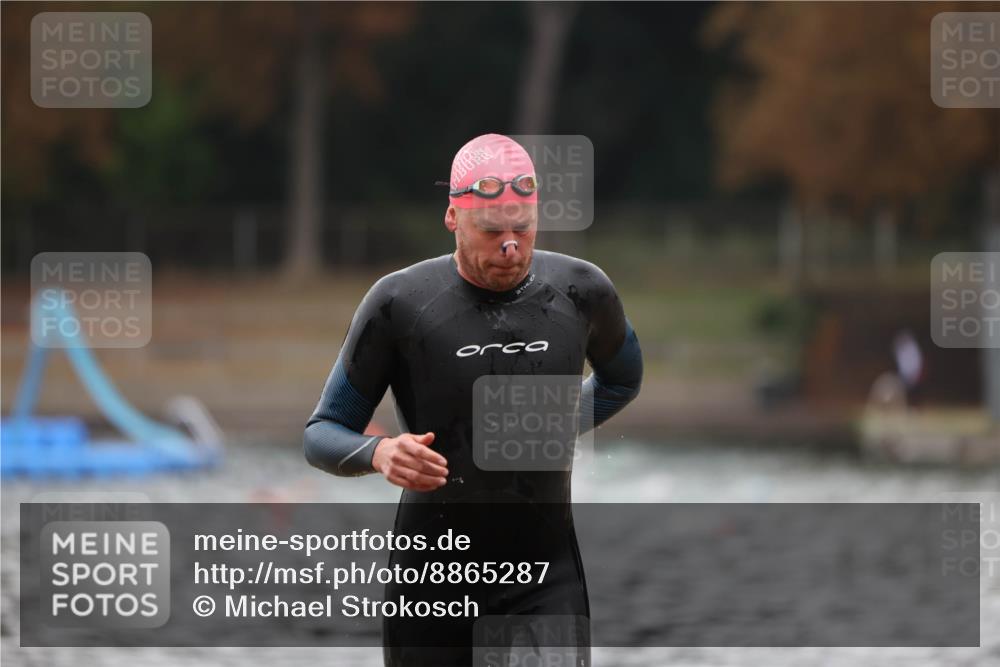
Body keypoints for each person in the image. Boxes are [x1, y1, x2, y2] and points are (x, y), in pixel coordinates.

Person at [303, 133, 643, 666]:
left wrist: (549, 423)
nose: (510, 246)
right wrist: (381, 453)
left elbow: (621, 380)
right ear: (452, 218)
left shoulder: (582, 290)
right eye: (490, 230)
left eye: (522, 229)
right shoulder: (399, 303)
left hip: (543, 584)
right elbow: (321, 433)